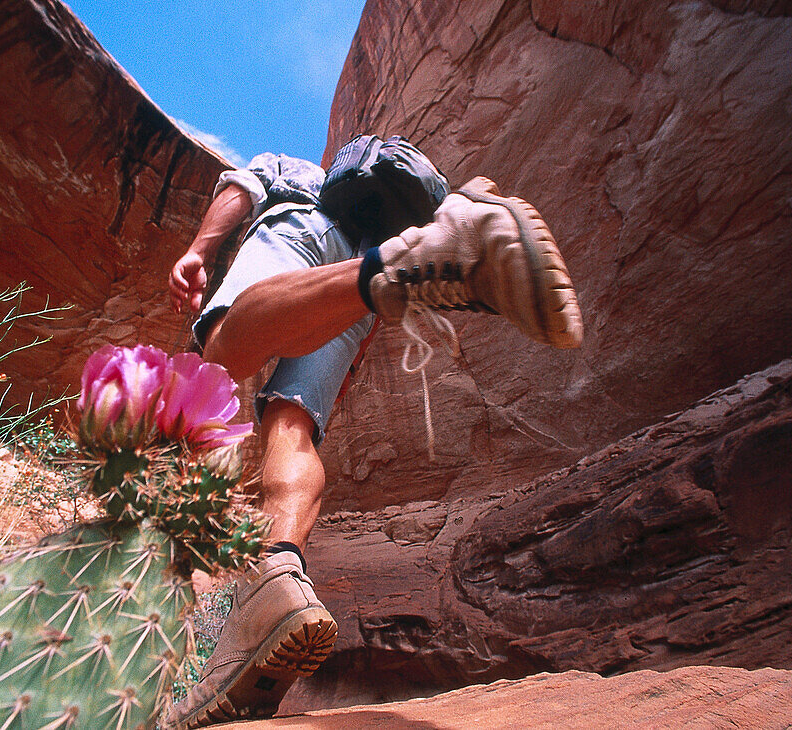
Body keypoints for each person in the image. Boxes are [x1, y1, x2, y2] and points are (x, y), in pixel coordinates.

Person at [165, 137, 582, 727]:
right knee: (294, 424)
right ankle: (274, 576)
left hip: (303, 233)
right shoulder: (380, 231)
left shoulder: (304, 173)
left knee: (220, 359)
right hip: (357, 284)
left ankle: (223, 600)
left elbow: (243, 186)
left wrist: (199, 252)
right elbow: (348, 351)